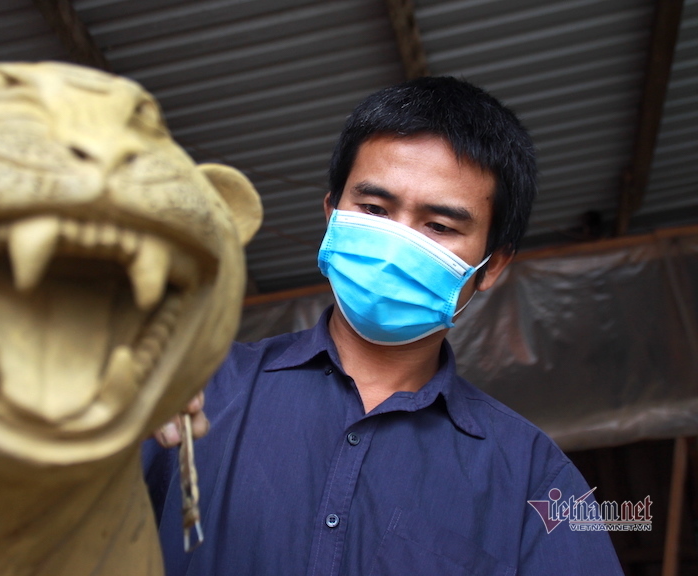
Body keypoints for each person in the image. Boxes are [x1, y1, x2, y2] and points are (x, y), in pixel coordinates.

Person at [143, 76, 624, 575]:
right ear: (332, 215)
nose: (396, 245)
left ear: (493, 266)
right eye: (374, 210)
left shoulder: (533, 479)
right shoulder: (195, 387)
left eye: (439, 226)